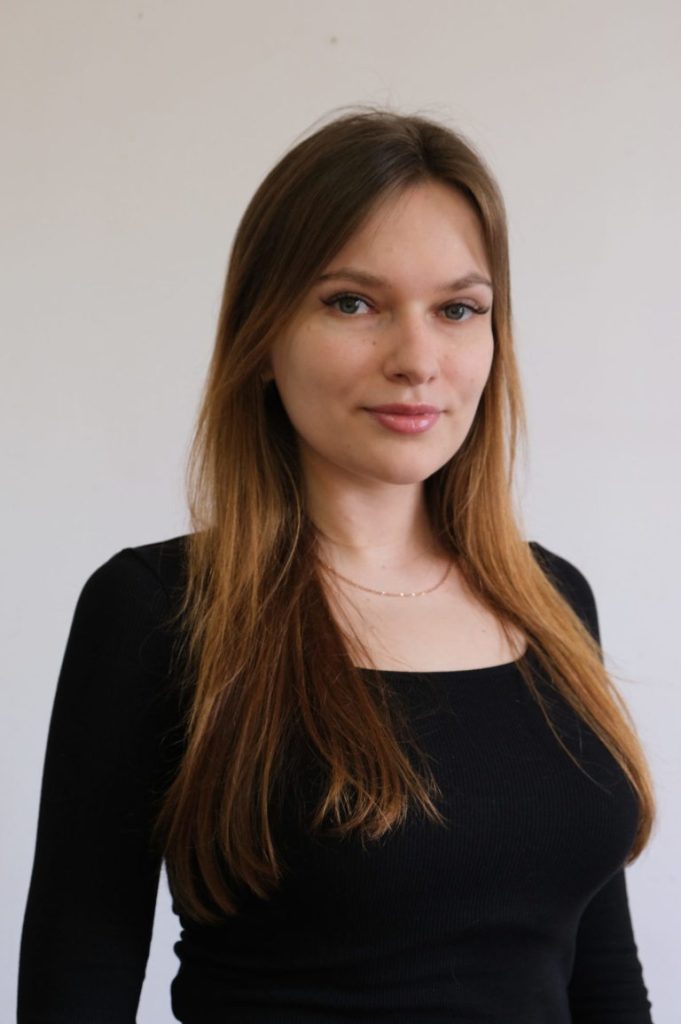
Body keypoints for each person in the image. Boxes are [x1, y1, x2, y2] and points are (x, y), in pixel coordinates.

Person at [17, 107, 656, 1023]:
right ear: (261, 336)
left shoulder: (550, 598)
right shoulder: (160, 608)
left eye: (458, 309)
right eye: (352, 303)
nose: (417, 360)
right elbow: (77, 976)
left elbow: (601, 972)